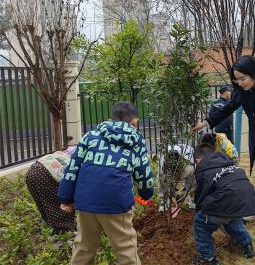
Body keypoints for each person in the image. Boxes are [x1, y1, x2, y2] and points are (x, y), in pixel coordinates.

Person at [193, 55, 255, 235]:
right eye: (236, 79)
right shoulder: (242, 92)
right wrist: (207, 122)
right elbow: (227, 108)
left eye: (243, 78)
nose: (239, 83)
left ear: (254, 73)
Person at [58, 101, 154, 265]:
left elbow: (73, 167)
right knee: (125, 248)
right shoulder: (137, 141)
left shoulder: (90, 136)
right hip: (116, 201)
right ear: (135, 121)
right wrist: (146, 193)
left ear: (110, 118)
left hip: (86, 199)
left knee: (84, 246)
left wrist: (66, 197)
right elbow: (143, 172)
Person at [192, 143, 255, 265]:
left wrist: (201, 212)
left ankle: (207, 258)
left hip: (227, 198)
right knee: (231, 218)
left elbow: (202, 195)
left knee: (200, 222)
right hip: (245, 199)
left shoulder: (203, 168)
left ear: (198, 159)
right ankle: (247, 246)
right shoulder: (226, 161)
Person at [25, 147, 76, 234]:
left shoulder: (67, 152)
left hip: (32, 170)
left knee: (43, 202)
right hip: (48, 173)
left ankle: (52, 225)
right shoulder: (80, 161)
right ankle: (63, 231)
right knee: (62, 203)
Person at [158, 144, 195, 212]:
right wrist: (171, 196)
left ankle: (193, 200)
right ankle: (164, 202)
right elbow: (163, 184)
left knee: (194, 183)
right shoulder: (162, 168)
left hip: (186, 155)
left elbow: (190, 182)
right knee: (163, 181)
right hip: (169, 161)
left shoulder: (189, 167)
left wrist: (185, 194)